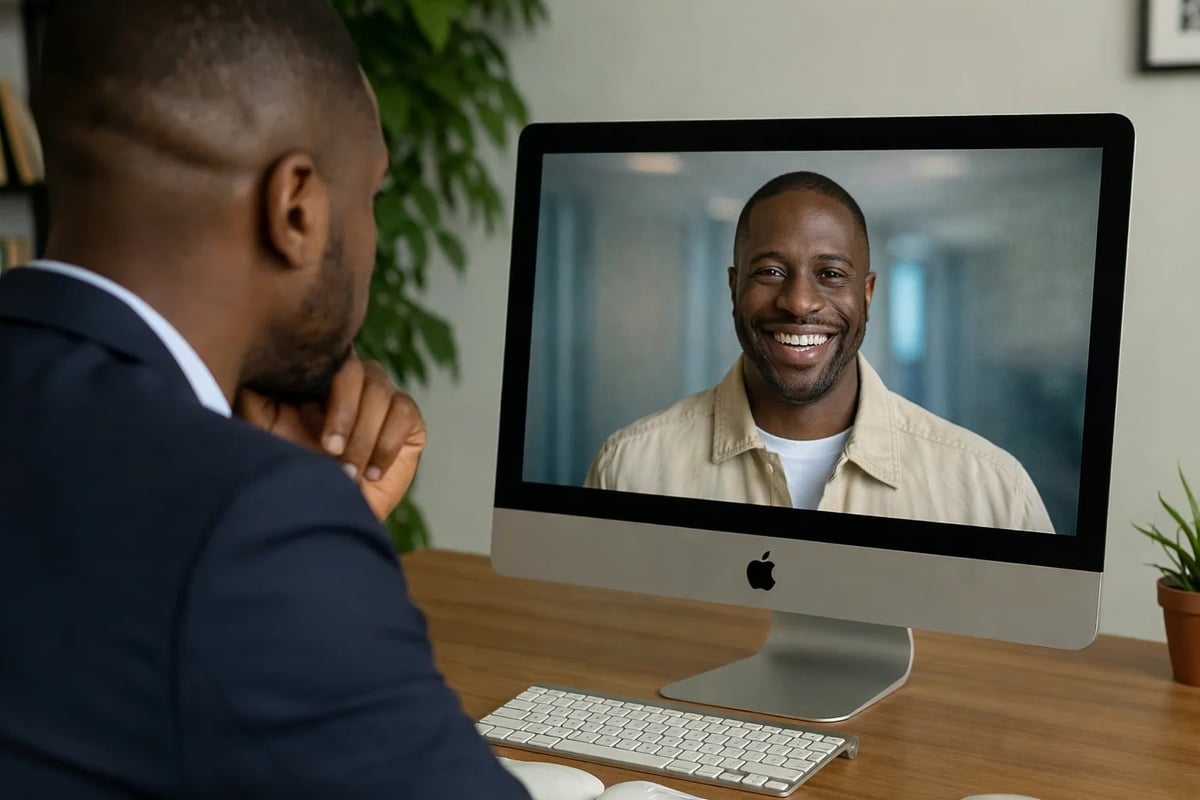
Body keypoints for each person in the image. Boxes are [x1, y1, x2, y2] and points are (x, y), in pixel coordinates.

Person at [0, 1, 531, 798]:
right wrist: (295, 540)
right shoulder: (255, 523)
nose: (375, 237)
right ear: (296, 209)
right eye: (373, 196)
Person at [585, 171, 1054, 533]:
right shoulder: (630, 469)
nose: (799, 302)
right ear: (734, 288)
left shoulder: (992, 491)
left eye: (830, 274)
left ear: (867, 294)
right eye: (769, 271)